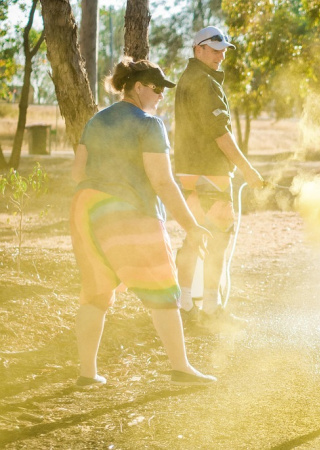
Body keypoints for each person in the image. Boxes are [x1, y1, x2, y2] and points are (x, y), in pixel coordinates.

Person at [69, 58, 216, 387]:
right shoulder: (149, 125)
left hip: (87, 211)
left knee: (95, 293)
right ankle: (181, 369)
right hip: (129, 212)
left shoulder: (96, 121)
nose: (162, 94)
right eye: (156, 88)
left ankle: (87, 373)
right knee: (163, 290)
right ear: (137, 87)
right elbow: (163, 183)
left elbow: (77, 173)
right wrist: (192, 226)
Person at [173, 26, 265, 323]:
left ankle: (186, 306)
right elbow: (220, 133)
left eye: (223, 50)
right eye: (215, 50)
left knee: (193, 236)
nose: (221, 55)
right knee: (218, 239)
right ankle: (210, 308)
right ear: (198, 49)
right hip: (209, 173)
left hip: (189, 171)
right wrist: (247, 169)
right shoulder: (204, 82)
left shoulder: (190, 78)